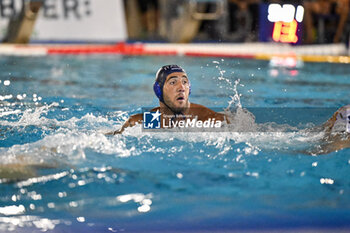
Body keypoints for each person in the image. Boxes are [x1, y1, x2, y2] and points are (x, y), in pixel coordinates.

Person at [110, 65, 228, 134]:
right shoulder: (143, 122)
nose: (181, 88)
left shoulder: (208, 119)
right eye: (173, 82)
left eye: (184, 82)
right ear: (158, 90)